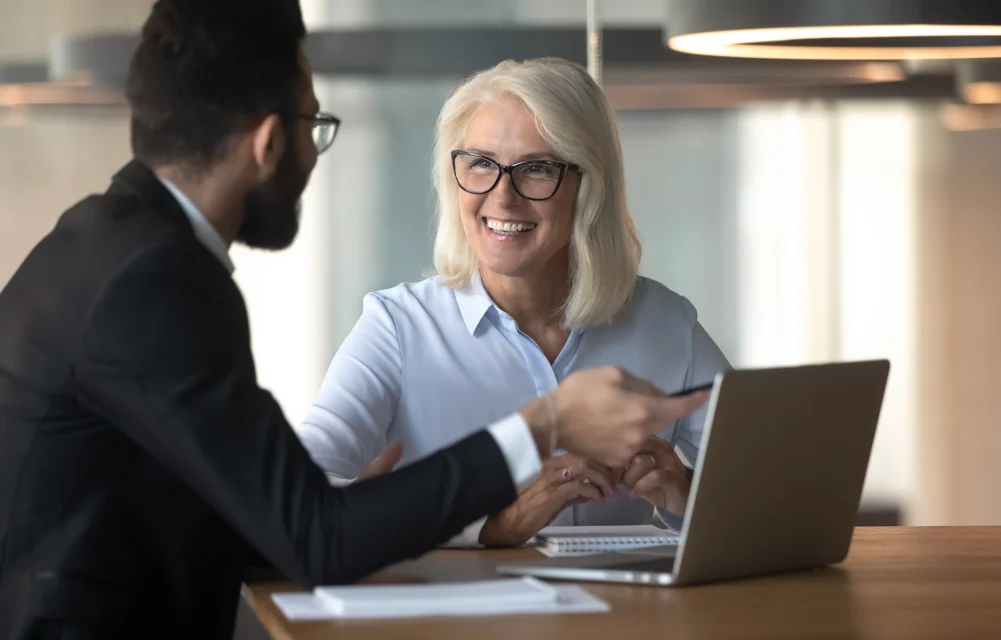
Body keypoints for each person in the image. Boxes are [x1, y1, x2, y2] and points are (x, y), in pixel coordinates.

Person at [0, 3, 710, 638]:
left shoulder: (103, 244)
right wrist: (545, 426)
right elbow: (312, 533)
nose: (315, 151)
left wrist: (364, 507)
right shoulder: (155, 280)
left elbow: (273, 515)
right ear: (269, 142)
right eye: (314, 125)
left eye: (536, 168)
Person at [297, 57, 732, 548]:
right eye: (481, 163)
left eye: (537, 168)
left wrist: (689, 497)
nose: (502, 198)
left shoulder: (667, 324)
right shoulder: (398, 329)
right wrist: (489, 526)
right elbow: (300, 504)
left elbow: (774, 489)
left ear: (588, 186)